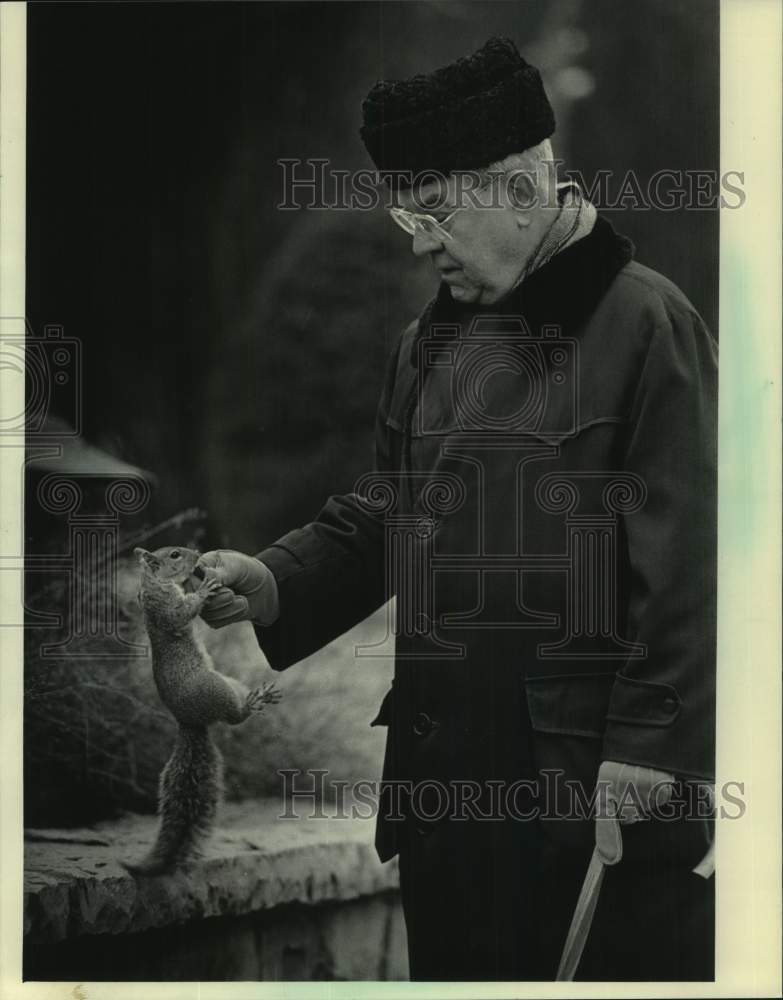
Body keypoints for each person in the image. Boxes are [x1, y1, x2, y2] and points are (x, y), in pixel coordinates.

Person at [198, 37, 717, 981]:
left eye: (433, 213)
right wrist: (273, 578)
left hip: (588, 812)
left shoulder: (649, 324)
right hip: (444, 808)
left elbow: (690, 566)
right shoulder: (423, 345)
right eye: (407, 215)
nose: (419, 242)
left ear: (521, 189)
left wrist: (653, 755)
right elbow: (389, 512)